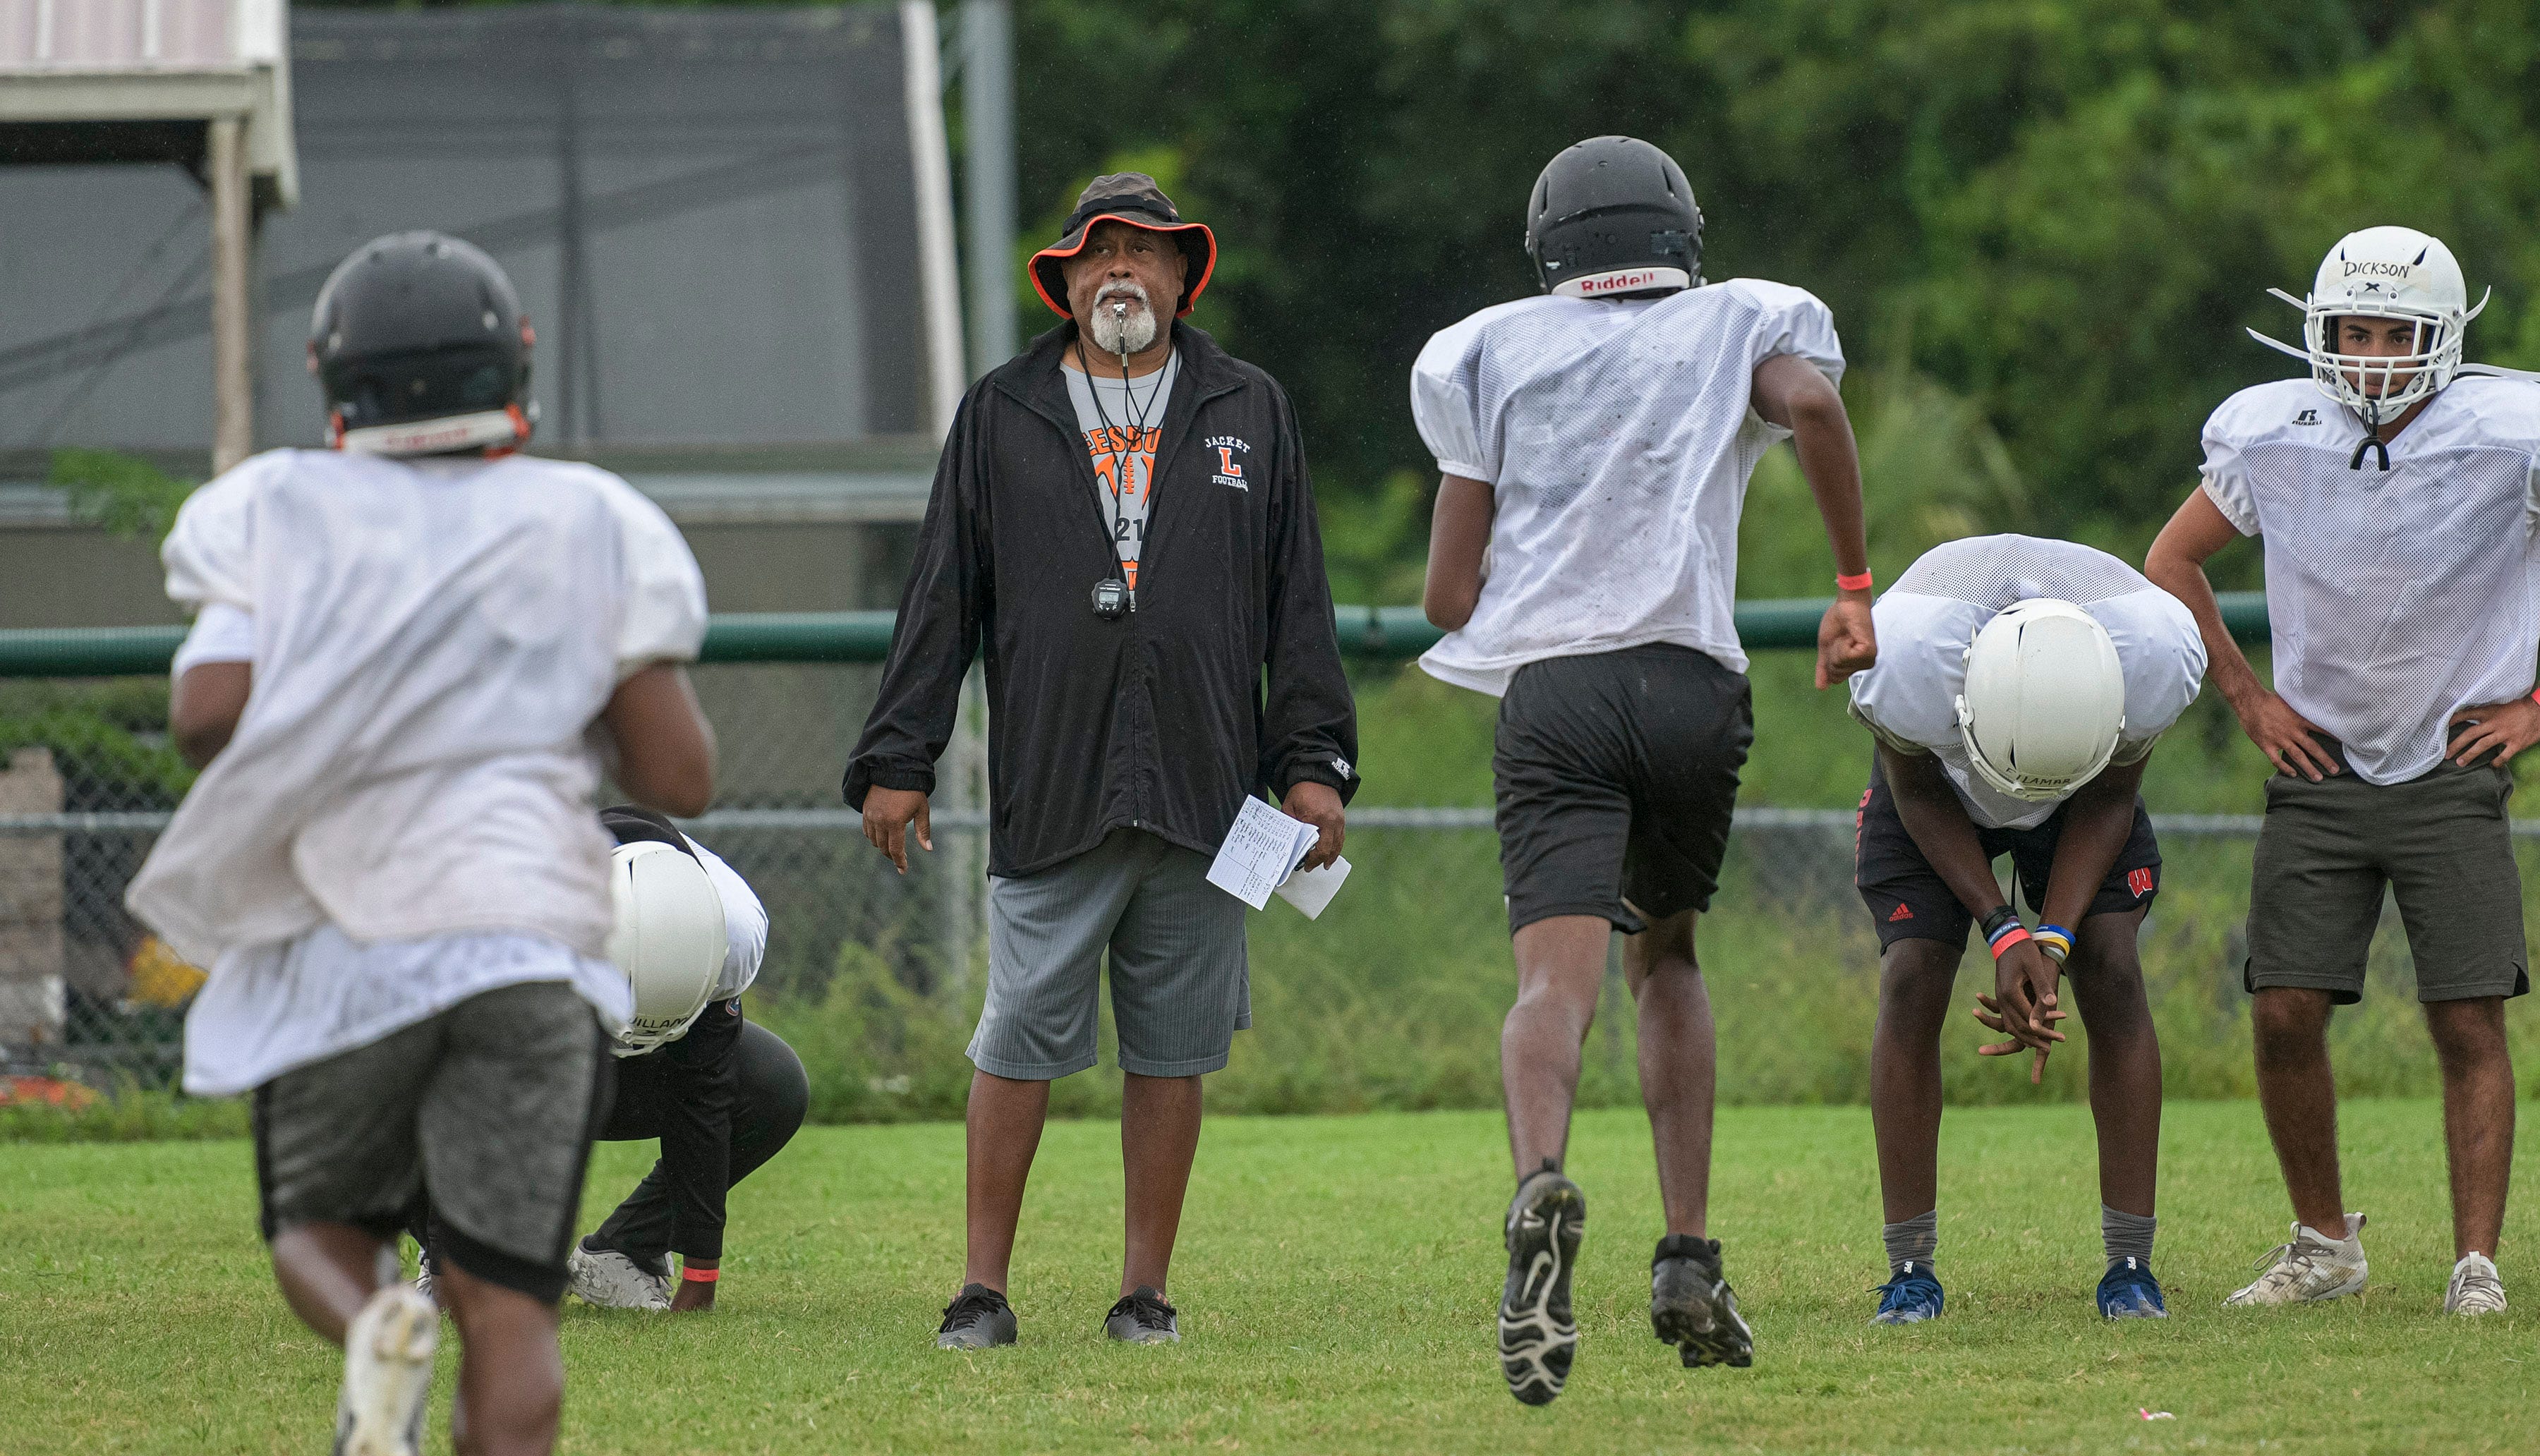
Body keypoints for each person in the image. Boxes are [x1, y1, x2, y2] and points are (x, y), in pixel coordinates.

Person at [126, 231, 714, 1456]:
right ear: (517, 360)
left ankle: (376, 1323)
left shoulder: (273, 507)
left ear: (330, 373)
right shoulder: (591, 518)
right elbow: (678, 775)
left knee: (319, 1228)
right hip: (529, 939)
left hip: (345, 930)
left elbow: (204, 714)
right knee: (514, 1305)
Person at [845, 173, 1357, 1350]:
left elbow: (1299, 602)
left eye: (1142, 251)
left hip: (1203, 785)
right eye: (1095, 253)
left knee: (1173, 1051)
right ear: (1065, 281)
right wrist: (899, 753)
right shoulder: (1002, 410)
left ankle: (1144, 1294)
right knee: (1017, 1034)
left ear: (1183, 275)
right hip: (1056, 781)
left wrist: (1315, 763)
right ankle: (981, 1290)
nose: (1118, 268)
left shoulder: (1249, 407)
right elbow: (941, 594)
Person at [1413, 135, 1876, 1405]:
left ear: (1549, 247)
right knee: (1666, 958)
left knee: (1548, 985)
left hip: (1559, 692)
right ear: (1681, 235)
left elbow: (1447, 597)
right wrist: (1851, 583)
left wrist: (1533, 569)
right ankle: (1686, 1256)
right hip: (1688, 680)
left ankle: (1540, 1185)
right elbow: (1816, 407)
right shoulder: (1738, 322)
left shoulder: (1490, 349)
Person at [2146, 225, 2540, 1316]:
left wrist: (2535, 707)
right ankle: (2325, 1246)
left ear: (2442, 338)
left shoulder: (2510, 433)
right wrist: (2248, 699)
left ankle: (2475, 1265)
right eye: (2353, 332)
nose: (2370, 357)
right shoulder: (2276, 431)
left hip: (2451, 760)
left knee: (2466, 1018)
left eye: (2393, 334)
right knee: (2283, 1009)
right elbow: (2171, 559)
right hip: (2319, 765)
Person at [1844, 535, 2206, 1325]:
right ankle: (1909, 1269)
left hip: (2086, 793)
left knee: (2111, 967)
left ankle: (2131, 1266)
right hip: (1937, 787)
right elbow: (1916, 791)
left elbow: (2108, 801)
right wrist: (2004, 930)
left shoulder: (2150, 651)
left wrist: (2054, 940)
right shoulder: (1904, 656)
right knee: (1913, 973)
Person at [416, 806, 807, 1316]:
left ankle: (627, 1250)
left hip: (620, 1069)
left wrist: (701, 1278)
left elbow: (703, 1098)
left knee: (771, 1085)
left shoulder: (731, 930)